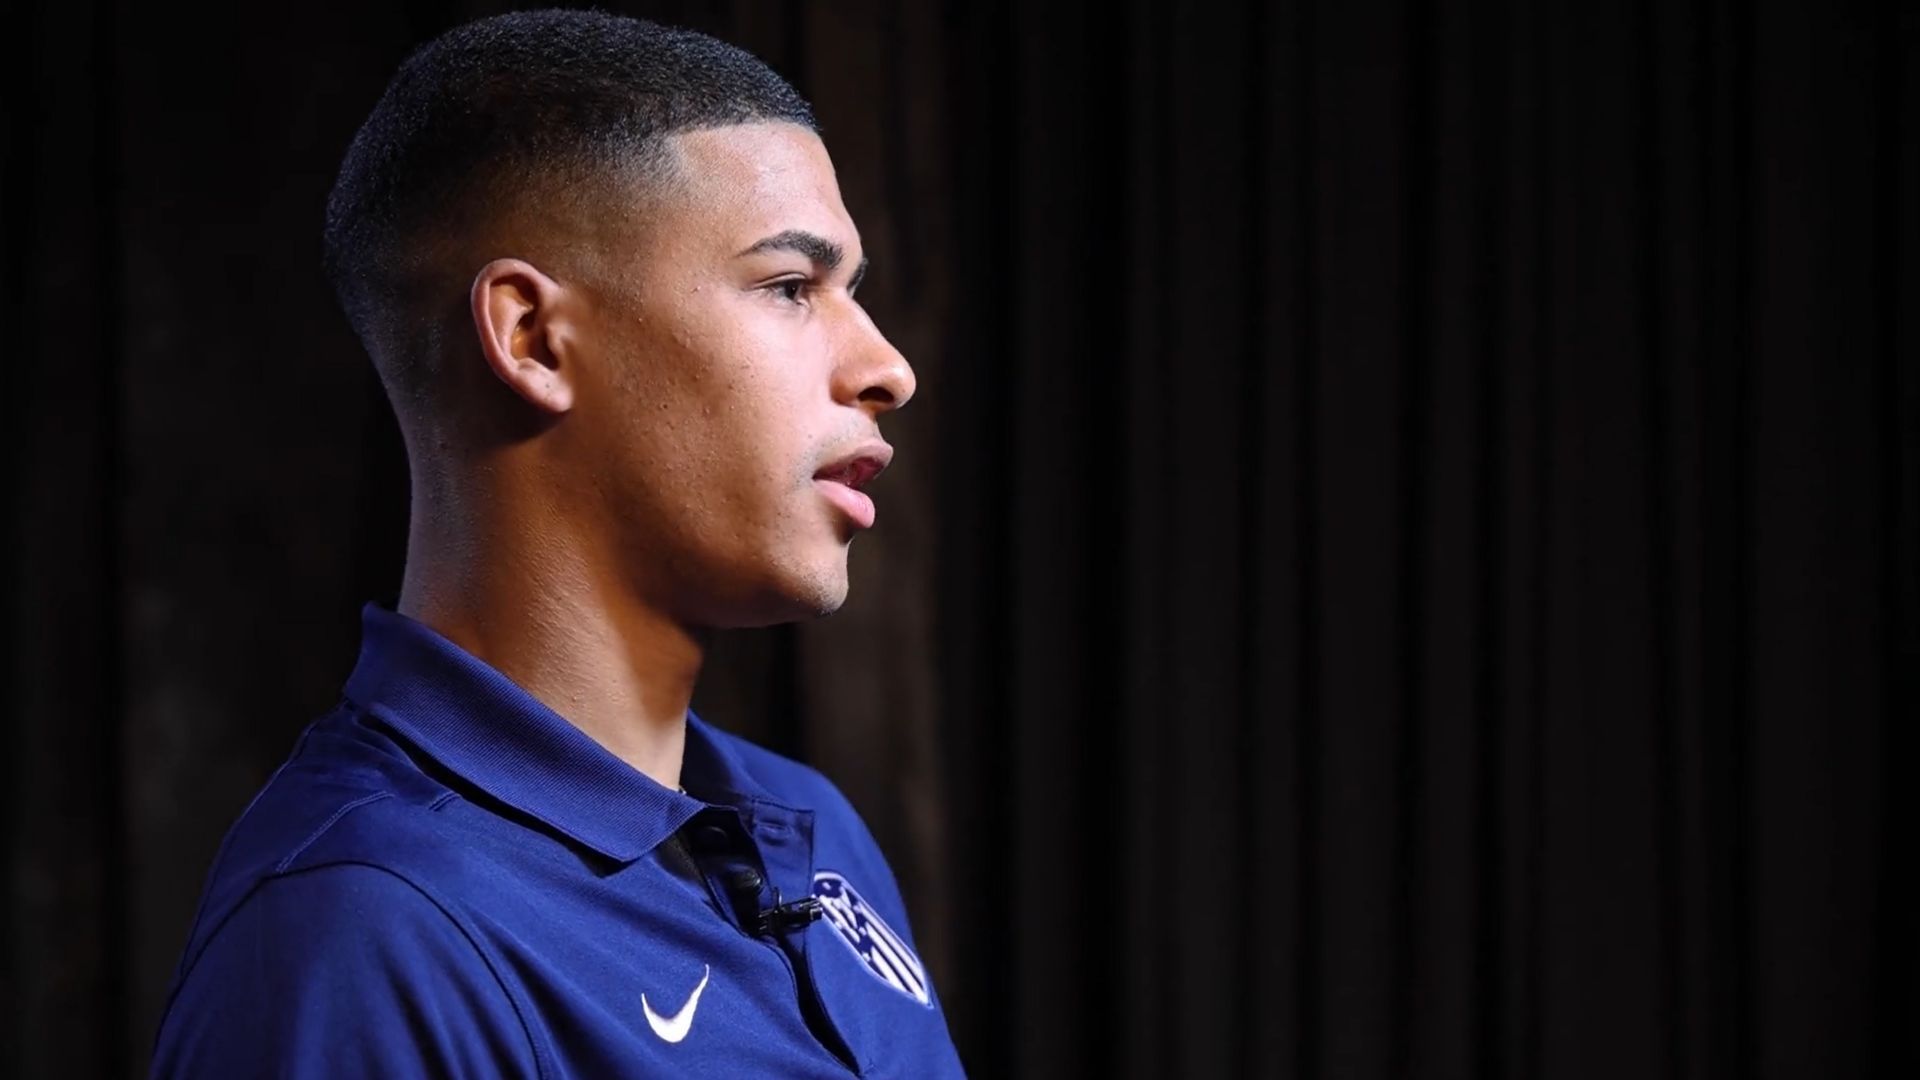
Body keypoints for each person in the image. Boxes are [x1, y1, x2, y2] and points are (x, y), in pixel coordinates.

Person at [148, 9, 963, 1077]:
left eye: (849, 290)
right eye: (787, 287)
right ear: (532, 337)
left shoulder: (813, 831)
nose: (886, 367)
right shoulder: (363, 934)